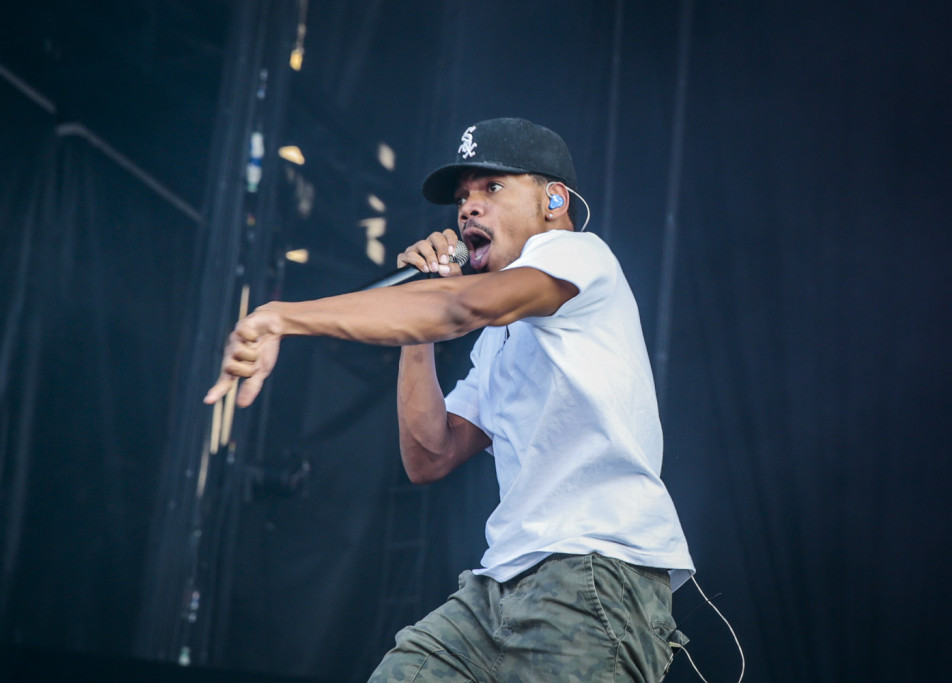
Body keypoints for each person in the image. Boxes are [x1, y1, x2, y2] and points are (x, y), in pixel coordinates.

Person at [205, 117, 694, 682]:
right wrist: (420, 312)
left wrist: (283, 318)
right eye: (462, 198)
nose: (468, 209)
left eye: (493, 188)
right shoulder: (498, 341)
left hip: (593, 573)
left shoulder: (580, 256)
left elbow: (463, 307)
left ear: (554, 199)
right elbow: (429, 455)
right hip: (497, 586)